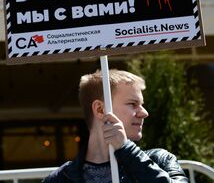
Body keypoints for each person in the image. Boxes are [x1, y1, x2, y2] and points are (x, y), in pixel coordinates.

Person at [43, 69, 188, 183]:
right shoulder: (60, 179)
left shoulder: (161, 160)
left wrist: (126, 149)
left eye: (141, 105)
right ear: (100, 109)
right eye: (133, 104)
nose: (144, 113)